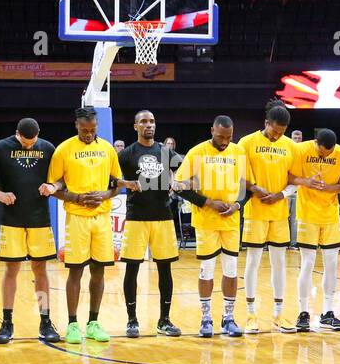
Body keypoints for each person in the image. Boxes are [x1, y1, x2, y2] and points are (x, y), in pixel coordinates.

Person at [46, 106, 125, 344]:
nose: (88, 134)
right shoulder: (64, 150)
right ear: (76, 125)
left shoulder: (107, 149)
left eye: (92, 130)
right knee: (76, 270)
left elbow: (117, 184)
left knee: (99, 271)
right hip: (77, 217)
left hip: (102, 217)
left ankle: (93, 322)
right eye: (84, 130)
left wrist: (105, 194)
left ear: (97, 126)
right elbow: (55, 186)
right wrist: (76, 197)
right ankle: (72, 324)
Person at [0, 118, 60, 344]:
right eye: (25, 142)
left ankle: (45, 320)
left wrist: (54, 186)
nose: (29, 146)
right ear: (17, 134)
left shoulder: (47, 148)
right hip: (12, 218)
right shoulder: (0, 148)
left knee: (40, 270)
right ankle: (7, 321)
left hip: (39, 218)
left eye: (33, 142)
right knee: (12, 269)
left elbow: (61, 178)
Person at [175, 116, 247, 338]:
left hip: (231, 222)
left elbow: (246, 187)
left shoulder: (238, 153)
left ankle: (229, 318)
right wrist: (209, 202)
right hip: (206, 221)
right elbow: (179, 186)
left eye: (229, 137)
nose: (225, 141)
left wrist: (237, 205)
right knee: (206, 270)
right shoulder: (197, 153)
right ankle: (206, 318)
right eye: (220, 136)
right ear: (212, 131)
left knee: (231, 270)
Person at [118, 110, 183, 338]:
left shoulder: (166, 152)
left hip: (163, 217)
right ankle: (132, 320)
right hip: (137, 217)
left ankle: (164, 320)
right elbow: (112, 178)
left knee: (165, 269)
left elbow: (182, 168)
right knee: (132, 268)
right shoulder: (126, 154)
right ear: (135, 126)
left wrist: (175, 181)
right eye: (144, 121)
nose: (149, 125)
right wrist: (126, 182)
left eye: (152, 121)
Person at [288, 128, 340, 332]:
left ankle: (328, 313)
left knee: (332, 264)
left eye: (328, 154)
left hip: (329, 214)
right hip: (307, 213)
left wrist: (330, 188)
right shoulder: (300, 150)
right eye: (321, 154)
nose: (324, 157)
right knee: (307, 264)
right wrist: (306, 182)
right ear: (315, 143)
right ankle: (303, 312)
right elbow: (289, 177)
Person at [239, 105, 298, 333]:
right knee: (253, 262)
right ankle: (251, 314)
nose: (277, 136)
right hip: (255, 211)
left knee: (279, 263)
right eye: (274, 131)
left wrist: (281, 194)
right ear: (266, 123)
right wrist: (254, 188)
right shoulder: (246, 143)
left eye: (282, 132)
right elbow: (240, 176)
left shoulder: (290, 146)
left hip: (280, 212)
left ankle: (278, 314)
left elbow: (295, 180)